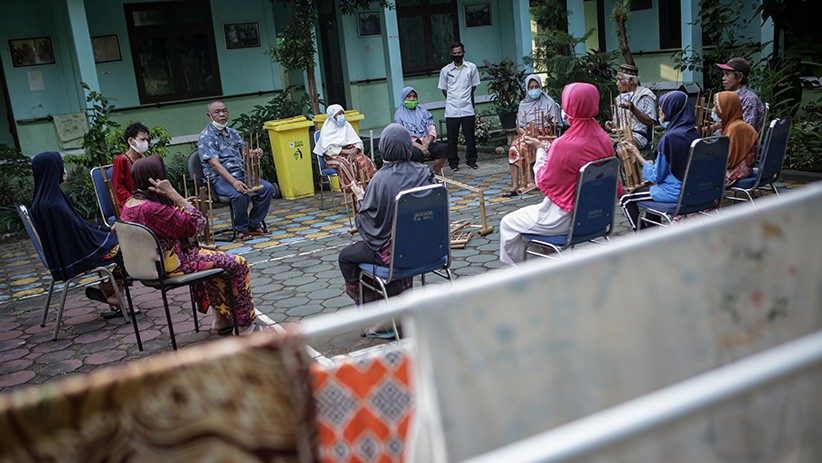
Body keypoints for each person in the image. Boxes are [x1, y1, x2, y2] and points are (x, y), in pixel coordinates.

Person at [120, 154, 260, 335]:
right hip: (173, 263)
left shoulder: (131, 204)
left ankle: (222, 320)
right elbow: (197, 224)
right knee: (238, 264)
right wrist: (175, 196)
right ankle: (243, 325)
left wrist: (182, 207)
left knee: (216, 261)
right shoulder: (152, 209)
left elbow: (165, 224)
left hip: (147, 265)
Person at [499, 82, 618, 265]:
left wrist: (540, 149)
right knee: (535, 240)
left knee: (507, 223)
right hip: (600, 216)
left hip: (565, 219)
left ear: (570, 106)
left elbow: (543, 180)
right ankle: (547, 264)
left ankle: (529, 272)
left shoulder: (564, 144)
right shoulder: (604, 138)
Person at [338, 124, 436, 336]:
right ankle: (399, 300)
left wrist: (360, 196)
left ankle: (377, 315)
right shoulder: (425, 173)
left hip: (397, 255)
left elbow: (370, 224)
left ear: (384, 147)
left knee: (346, 257)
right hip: (431, 250)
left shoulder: (381, 179)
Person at [30, 152, 125, 316]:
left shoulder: (45, 200)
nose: (64, 170)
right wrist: (106, 233)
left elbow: (79, 229)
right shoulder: (53, 205)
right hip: (76, 254)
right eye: (61, 166)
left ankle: (109, 291)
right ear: (52, 170)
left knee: (119, 239)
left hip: (69, 252)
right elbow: (80, 235)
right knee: (126, 247)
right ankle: (112, 293)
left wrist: (105, 230)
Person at [618, 91, 700, 231]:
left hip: (675, 192)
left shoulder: (669, 139)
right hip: (694, 190)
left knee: (626, 199)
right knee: (647, 193)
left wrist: (638, 155)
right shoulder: (693, 133)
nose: (659, 111)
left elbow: (656, 175)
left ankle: (644, 238)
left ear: (671, 110)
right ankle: (654, 234)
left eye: (662, 107)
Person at [198, 100, 275, 241]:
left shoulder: (232, 133)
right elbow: (215, 164)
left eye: (224, 110)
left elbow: (244, 152)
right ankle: (241, 229)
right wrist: (233, 182)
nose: (222, 114)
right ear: (210, 116)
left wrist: (255, 152)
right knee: (240, 195)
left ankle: (253, 223)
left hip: (241, 174)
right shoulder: (206, 136)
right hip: (220, 178)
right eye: (217, 112)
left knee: (267, 189)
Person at [503, 74, 562, 197]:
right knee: (515, 148)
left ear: (540, 87)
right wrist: (527, 134)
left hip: (545, 135)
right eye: (531, 87)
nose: (534, 89)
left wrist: (550, 121)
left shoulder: (549, 103)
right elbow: (519, 126)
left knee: (545, 146)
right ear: (527, 88)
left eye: (536, 86)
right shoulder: (523, 104)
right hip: (528, 134)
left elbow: (555, 127)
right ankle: (515, 185)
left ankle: (543, 180)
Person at [313, 104, 377, 202]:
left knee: (364, 160)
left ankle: (371, 190)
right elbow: (327, 149)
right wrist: (344, 151)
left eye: (342, 113)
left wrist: (355, 149)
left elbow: (357, 142)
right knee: (344, 165)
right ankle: (355, 191)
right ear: (332, 117)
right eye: (338, 114)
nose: (341, 116)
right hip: (334, 158)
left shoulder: (347, 125)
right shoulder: (327, 129)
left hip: (351, 153)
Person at [438, 41, 481, 171]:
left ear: (463, 53)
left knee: (470, 137)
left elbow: (473, 86)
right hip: (452, 109)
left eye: (459, 53)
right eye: (455, 53)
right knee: (452, 138)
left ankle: (472, 161)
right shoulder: (445, 70)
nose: (457, 55)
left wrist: (464, 98)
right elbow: (444, 89)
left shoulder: (471, 67)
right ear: (451, 54)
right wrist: (454, 99)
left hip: (467, 107)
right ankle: (453, 163)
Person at [393, 86, 448, 174]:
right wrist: (420, 147)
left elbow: (432, 129)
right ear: (404, 98)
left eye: (414, 96)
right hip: (411, 145)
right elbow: (402, 136)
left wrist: (426, 144)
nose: (412, 99)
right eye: (409, 96)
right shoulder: (399, 115)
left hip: (426, 142)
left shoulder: (423, 112)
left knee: (443, 148)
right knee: (416, 154)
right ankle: (420, 179)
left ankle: (434, 176)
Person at [605, 64, 657, 149]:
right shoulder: (619, 98)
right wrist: (612, 124)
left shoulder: (644, 95)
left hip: (637, 135)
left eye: (620, 80)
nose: (617, 83)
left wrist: (633, 109)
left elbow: (651, 121)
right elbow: (617, 124)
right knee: (599, 144)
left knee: (624, 149)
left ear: (631, 80)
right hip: (619, 134)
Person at [714, 91, 759, 187]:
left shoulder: (734, 128)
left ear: (727, 108)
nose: (714, 110)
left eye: (717, 107)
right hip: (745, 169)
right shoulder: (736, 124)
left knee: (701, 177)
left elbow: (729, 161)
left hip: (737, 171)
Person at [715, 57, 765, 135]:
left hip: (741, 145)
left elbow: (744, 131)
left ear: (740, 77)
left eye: (727, 74)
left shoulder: (749, 99)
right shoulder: (731, 97)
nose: (723, 78)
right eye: (723, 74)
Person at [112, 122, 150, 209]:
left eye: (147, 140)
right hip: (129, 204)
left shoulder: (143, 158)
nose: (146, 143)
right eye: (142, 139)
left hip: (145, 200)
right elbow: (118, 188)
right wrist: (134, 201)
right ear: (131, 141)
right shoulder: (121, 161)